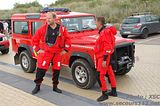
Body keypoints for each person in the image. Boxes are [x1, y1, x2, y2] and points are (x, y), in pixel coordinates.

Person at [32, 12, 71, 94]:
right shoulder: (43, 28)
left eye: (49, 18)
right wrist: (38, 50)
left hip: (57, 53)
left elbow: (68, 39)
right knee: (41, 70)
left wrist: (66, 49)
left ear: (54, 19)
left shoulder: (62, 29)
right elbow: (34, 39)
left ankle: (55, 86)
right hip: (46, 53)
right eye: (46, 18)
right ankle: (37, 86)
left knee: (57, 71)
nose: (47, 20)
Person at [95, 17, 117, 102]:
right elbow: (111, 43)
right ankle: (114, 91)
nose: (95, 23)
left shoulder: (104, 32)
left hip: (104, 57)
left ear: (99, 23)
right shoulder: (106, 31)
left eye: (96, 22)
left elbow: (107, 46)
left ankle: (104, 94)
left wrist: (104, 59)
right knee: (110, 73)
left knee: (100, 75)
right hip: (107, 55)